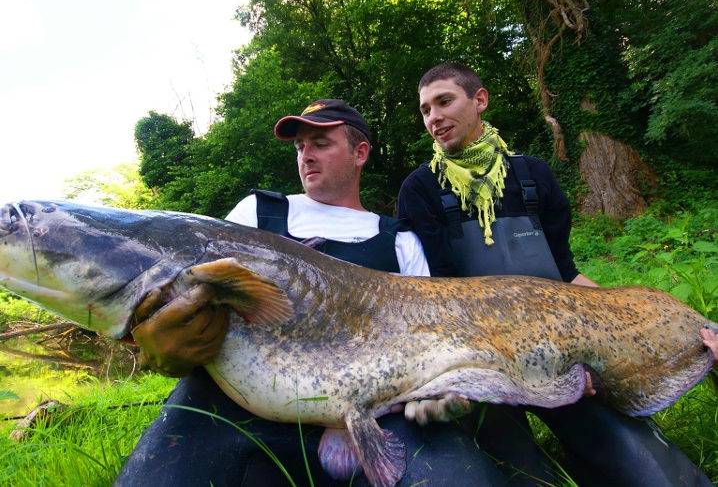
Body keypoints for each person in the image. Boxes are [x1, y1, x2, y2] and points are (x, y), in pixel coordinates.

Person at [116, 99, 513, 486]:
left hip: (379, 415)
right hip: (234, 407)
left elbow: (435, 335)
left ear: (360, 153)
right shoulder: (255, 213)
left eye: (321, 144)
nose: (306, 155)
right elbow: (188, 306)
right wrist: (162, 346)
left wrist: (441, 387)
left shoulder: (399, 240)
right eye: (300, 146)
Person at [397, 62, 718, 487]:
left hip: (565, 356)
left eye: (444, 101)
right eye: (424, 110)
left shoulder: (533, 175)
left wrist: (637, 322)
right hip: (482, 367)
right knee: (524, 477)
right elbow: (434, 299)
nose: (433, 118)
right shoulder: (419, 189)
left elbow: (567, 274)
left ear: (479, 100)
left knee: (656, 476)